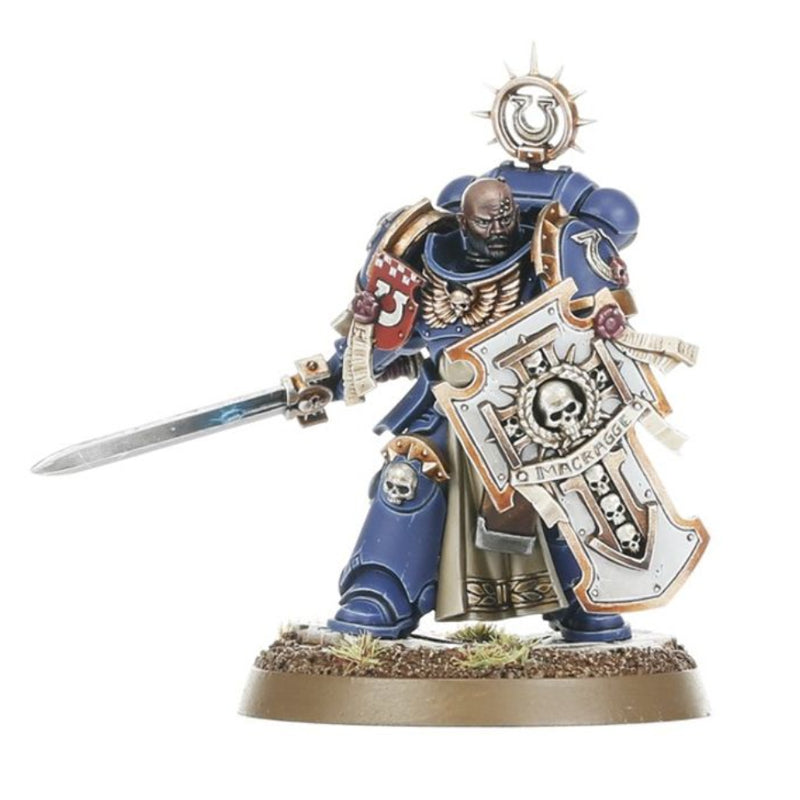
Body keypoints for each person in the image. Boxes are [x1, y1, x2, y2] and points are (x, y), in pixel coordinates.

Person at [323, 163, 639, 641]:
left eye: (507, 216)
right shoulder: (426, 275)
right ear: (462, 221)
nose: (499, 229)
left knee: (568, 485)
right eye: (486, 220)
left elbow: (589, 326)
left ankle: (587, 591)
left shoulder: (541, 268)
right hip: (447, 413)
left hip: (532, 413)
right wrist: (327, 375)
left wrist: (607, 326)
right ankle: (383, 587)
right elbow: (380, 351)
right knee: (406, 476)